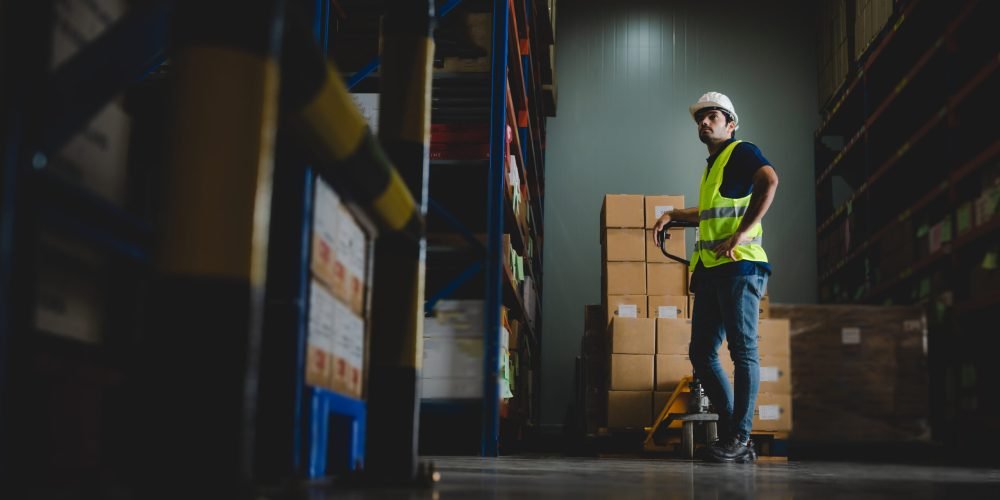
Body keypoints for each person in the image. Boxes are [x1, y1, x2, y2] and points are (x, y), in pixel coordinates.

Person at [654, 92, 779, 463]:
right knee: (701, 353)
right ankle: (733, 434)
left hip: (740, 266)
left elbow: (769, 181)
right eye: (700, 119)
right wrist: (674, 214)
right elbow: (709, 214)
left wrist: (741, 233)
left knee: (743, 352)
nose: (704, 122)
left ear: (731, 123)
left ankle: (740, 436)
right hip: (711, 270)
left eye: (713, 116)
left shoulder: (741, 150)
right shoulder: (714, 165)